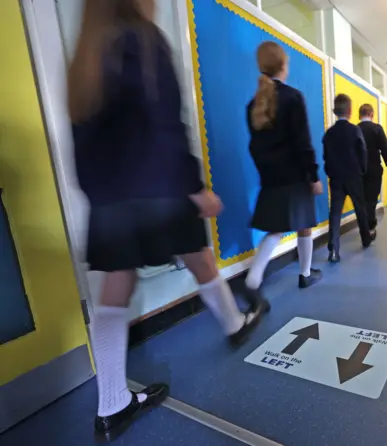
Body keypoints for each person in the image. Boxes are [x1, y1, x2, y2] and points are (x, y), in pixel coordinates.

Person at [67, 0, 263, 441]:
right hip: (157, 186)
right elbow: (165, 125)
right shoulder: (143, 39)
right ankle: (234, 325)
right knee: (199, 258)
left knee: (115, 285)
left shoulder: (85, 56)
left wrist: (101, 198)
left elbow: (83, 145)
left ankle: (112, 403)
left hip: (110, 197)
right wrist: (195, 187)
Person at [244, 41, 323, 306]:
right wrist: (313, 176)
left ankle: (252, 281)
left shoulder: (252, 105)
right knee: (304, 225)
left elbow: (254, 147)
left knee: (275, 230)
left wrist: (268, 171)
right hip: (295, 175)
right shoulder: (292, 98)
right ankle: (305, 273)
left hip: (271, 178)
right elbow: (303, 142)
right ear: (283, 66)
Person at [323, 94, 372, 263]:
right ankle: (365, 239)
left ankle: (333, 250)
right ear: (350, 111)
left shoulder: (329, 134)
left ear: (335, 111)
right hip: (353, 176)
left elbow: (326, 156)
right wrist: (362, 170)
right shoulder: (355, 130)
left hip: (336, 178)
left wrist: (330, 172)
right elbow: (363, 152)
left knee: (335, 213)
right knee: (360, 208)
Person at [358, 104, 387, 239]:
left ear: (359, 114)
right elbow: (385, 150)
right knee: (371, 200)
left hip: (359, 171)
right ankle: (370, 227)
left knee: (362, 200)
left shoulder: (355, 129)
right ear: (372, 114)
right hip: (374, 170)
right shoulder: (377, 129)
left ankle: (365, 227)